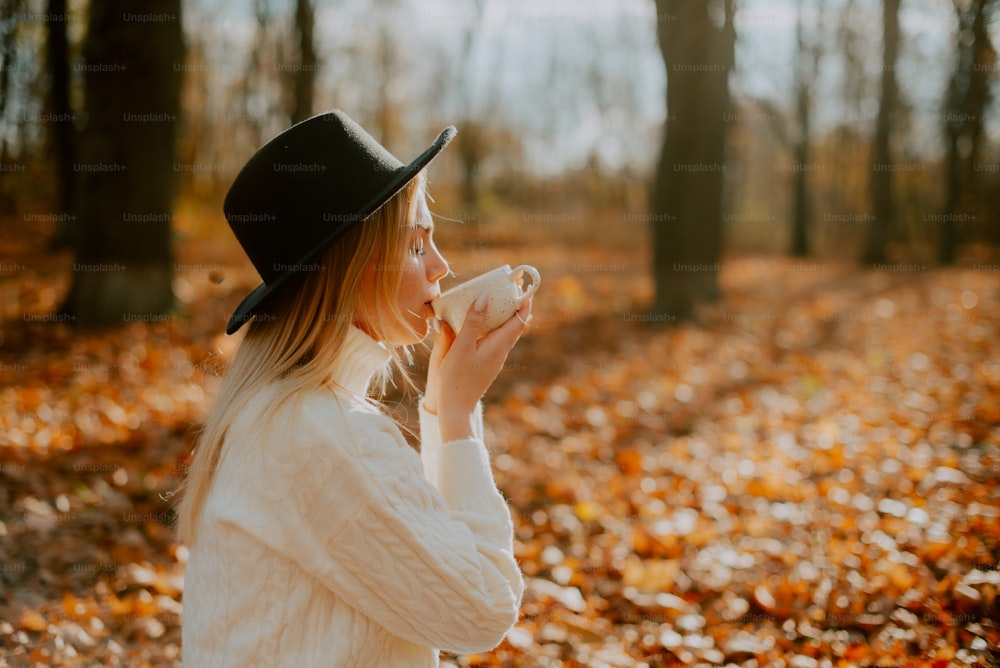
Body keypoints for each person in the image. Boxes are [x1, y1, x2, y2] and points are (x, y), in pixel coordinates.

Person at [176, 110, 530, 667]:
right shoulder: (324, 434)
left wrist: (439, 403)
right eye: (416, 247)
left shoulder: (279, 413)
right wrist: (457, 413)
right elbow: (483, 608)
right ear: (351, 267)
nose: (441, 266)